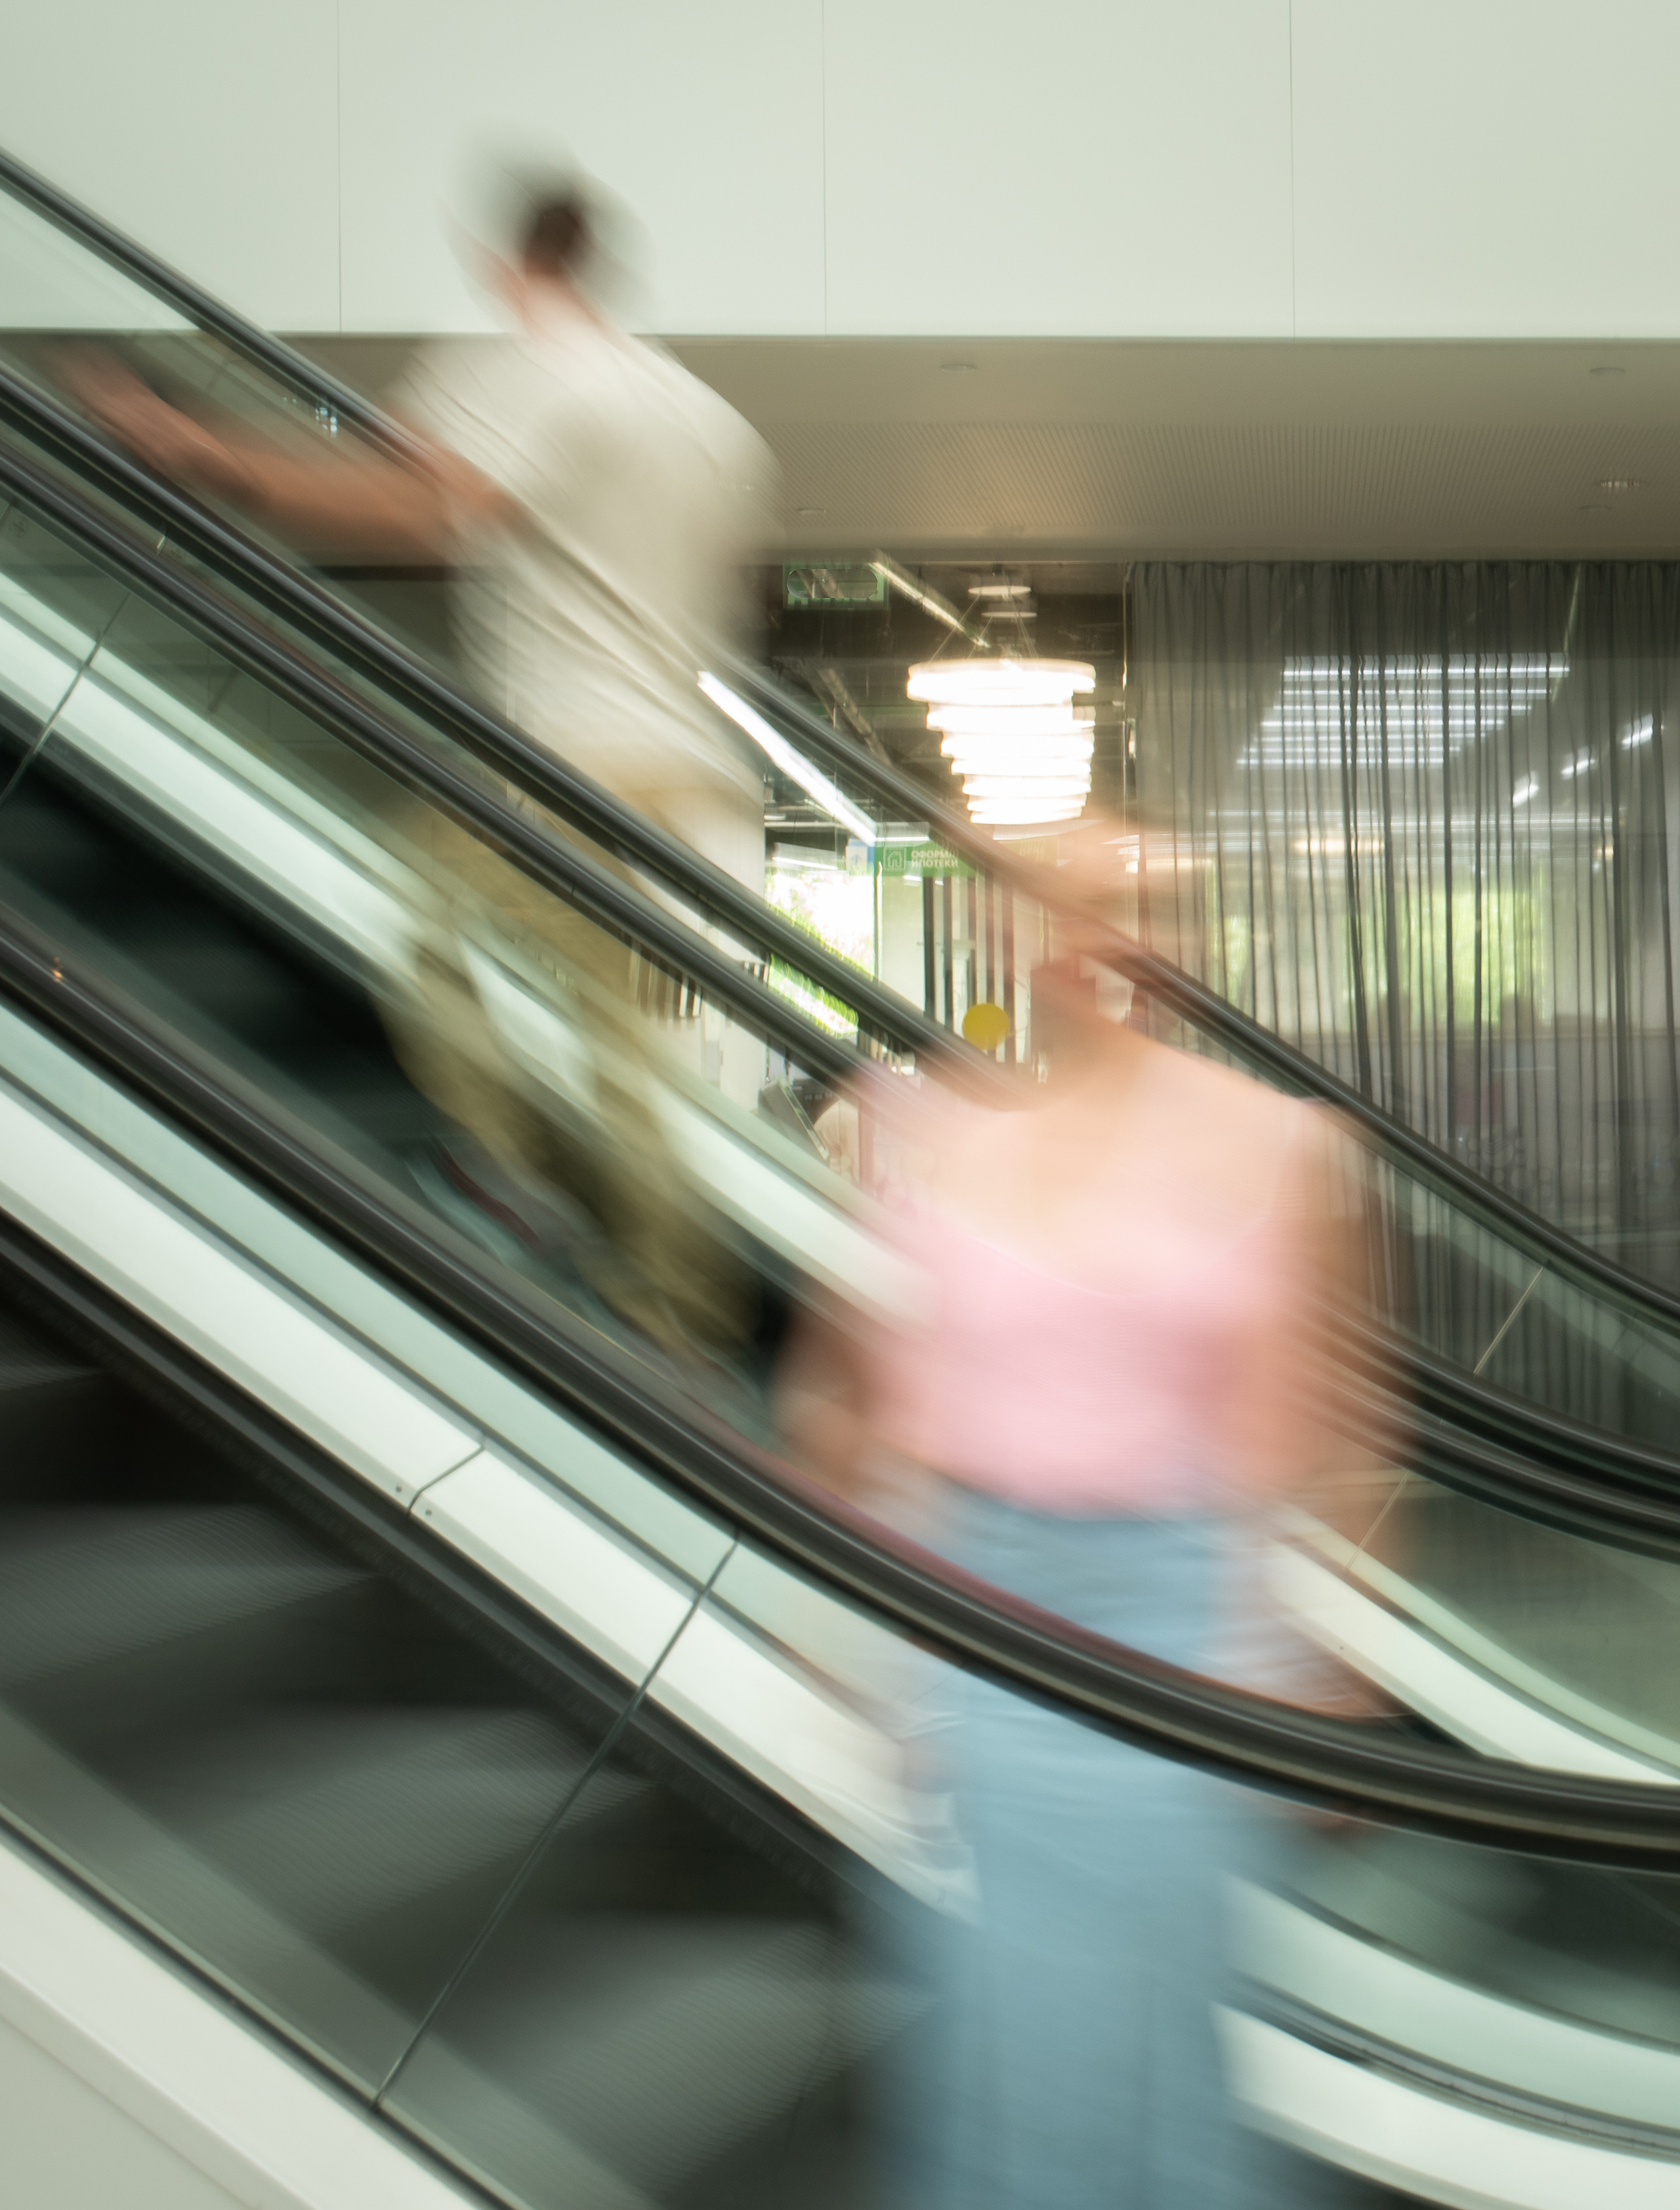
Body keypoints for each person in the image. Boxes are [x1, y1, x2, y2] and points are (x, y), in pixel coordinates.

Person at [62, 174, 778, 1356]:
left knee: (425, 925)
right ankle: (677, 1311)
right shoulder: (701, 417)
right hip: (685, 771)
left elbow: (422, 507)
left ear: (511, 265)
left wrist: (209, 453)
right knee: (616, 1042)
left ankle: (505, 1175)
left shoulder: (530, 369)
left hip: (567, 753)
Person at [777, 953, 1375, 2210]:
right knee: (1021, 2034)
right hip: (1005, 1646)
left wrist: (1301, 1662)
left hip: (1176, 1642)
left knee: (1168, 2035)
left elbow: (1318, 1424)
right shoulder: (937, 1140)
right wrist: (877, 1656)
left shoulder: (1258, 1145)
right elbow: (849, 1401)